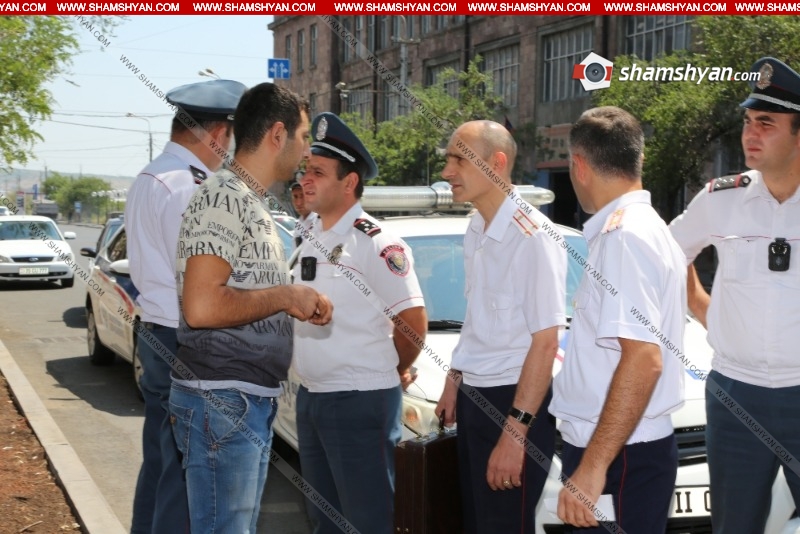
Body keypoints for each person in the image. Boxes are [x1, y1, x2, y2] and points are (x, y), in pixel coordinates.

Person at [168, 83, 333, 534]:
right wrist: (286, 297)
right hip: (223, 398)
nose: (306, 152)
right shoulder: (223, 197)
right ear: (278, 134)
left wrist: (291, 298)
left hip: (238, 398)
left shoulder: (247, 199)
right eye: (303, 137)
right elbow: (201, 306)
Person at [670, 57, 800, 533]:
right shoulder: (721, 198)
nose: (751, 133)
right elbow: (667, 256)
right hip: (736, 397)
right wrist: (707, 312)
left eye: (766, 123)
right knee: (733, 526)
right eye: (748, 122)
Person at [549, 106, 686, 532]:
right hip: (622, 449)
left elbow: (643, 358)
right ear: (637, 159)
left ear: (579, 166)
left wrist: (593, 467)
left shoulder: (624, 237)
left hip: (618, 455)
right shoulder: (642, 228)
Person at [292, 112, 427, 534]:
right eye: (306, 170)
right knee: (325, 520)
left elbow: (412, 321)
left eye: (318, 172)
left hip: (358, 398)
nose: (306, 180)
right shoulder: (308, 234)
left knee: (367, 520)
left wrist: (389, 368)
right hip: (312, 396)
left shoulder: (375, 241)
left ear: (349, 182)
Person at [125, 78, 246, 534]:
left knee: (161, 460)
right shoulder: (190, 187)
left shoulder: (151, 175)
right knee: (187, 470)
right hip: (188, 337)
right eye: (230, 139)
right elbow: (205, 278)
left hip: (159, 331)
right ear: (218, 134)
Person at [435, 120, 566, 533]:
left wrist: (515, 433)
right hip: (475, 397)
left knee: (505, 526)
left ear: (497, 163)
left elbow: (546, 342)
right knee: (477, 523)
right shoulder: (477, 227)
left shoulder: (533, 236)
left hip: (513, 401)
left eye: (459, 160)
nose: (447, 172)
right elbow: (477, 316)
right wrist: (455, 377)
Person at [290, 177, 316, 247]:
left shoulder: (319, 222)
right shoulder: (299, 224)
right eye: (295, 197)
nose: (298, 203)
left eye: (302, 196)